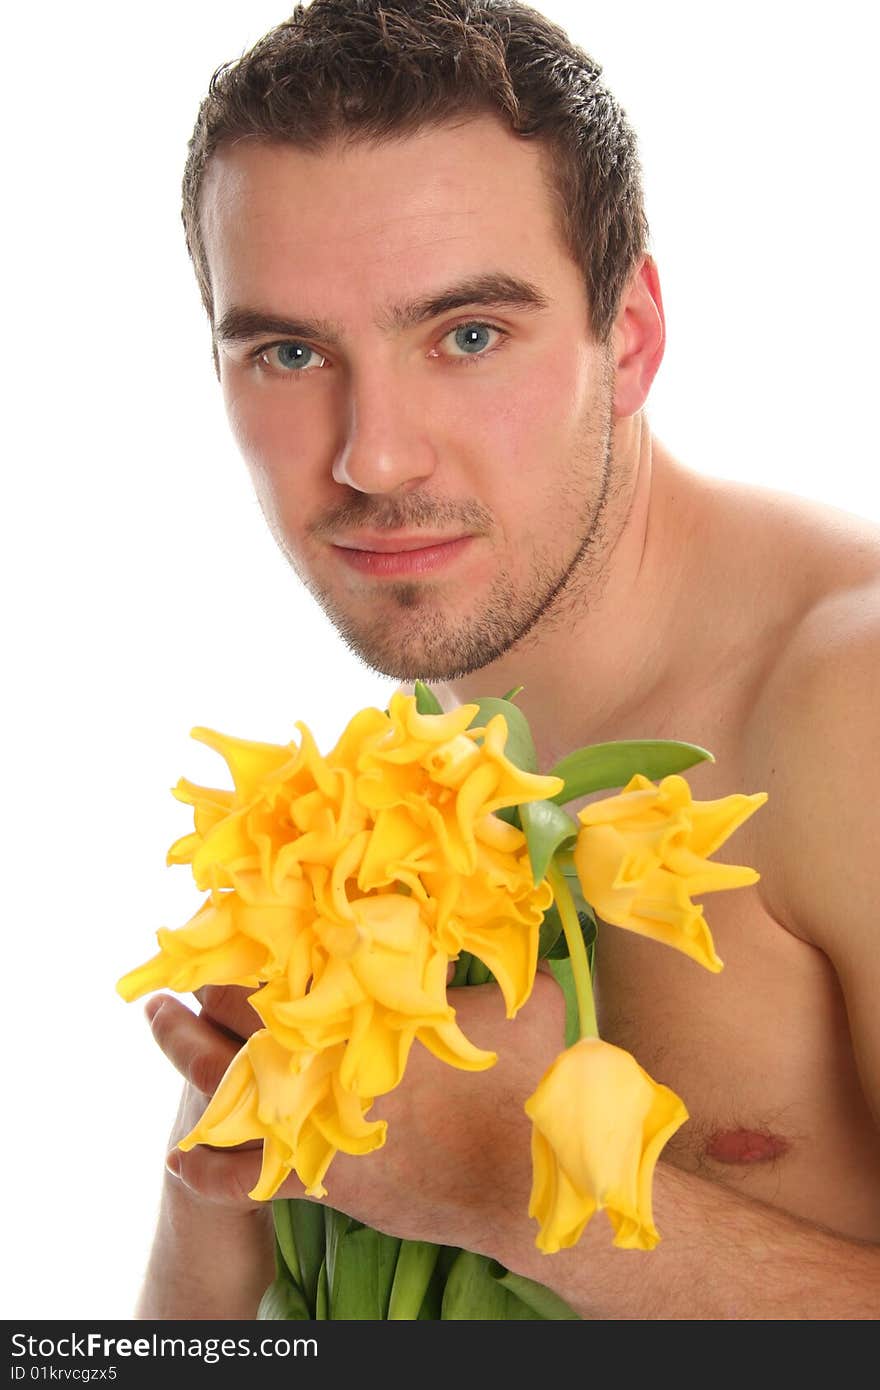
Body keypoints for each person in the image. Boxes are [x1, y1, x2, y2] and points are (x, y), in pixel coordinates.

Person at [135, 0, 880, 1319]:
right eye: (291, 352)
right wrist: (214, 1194)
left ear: (631, 334)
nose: (373, 457)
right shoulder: (416, 767)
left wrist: (514, 1190)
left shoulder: (849, 702)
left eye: (468, 335)